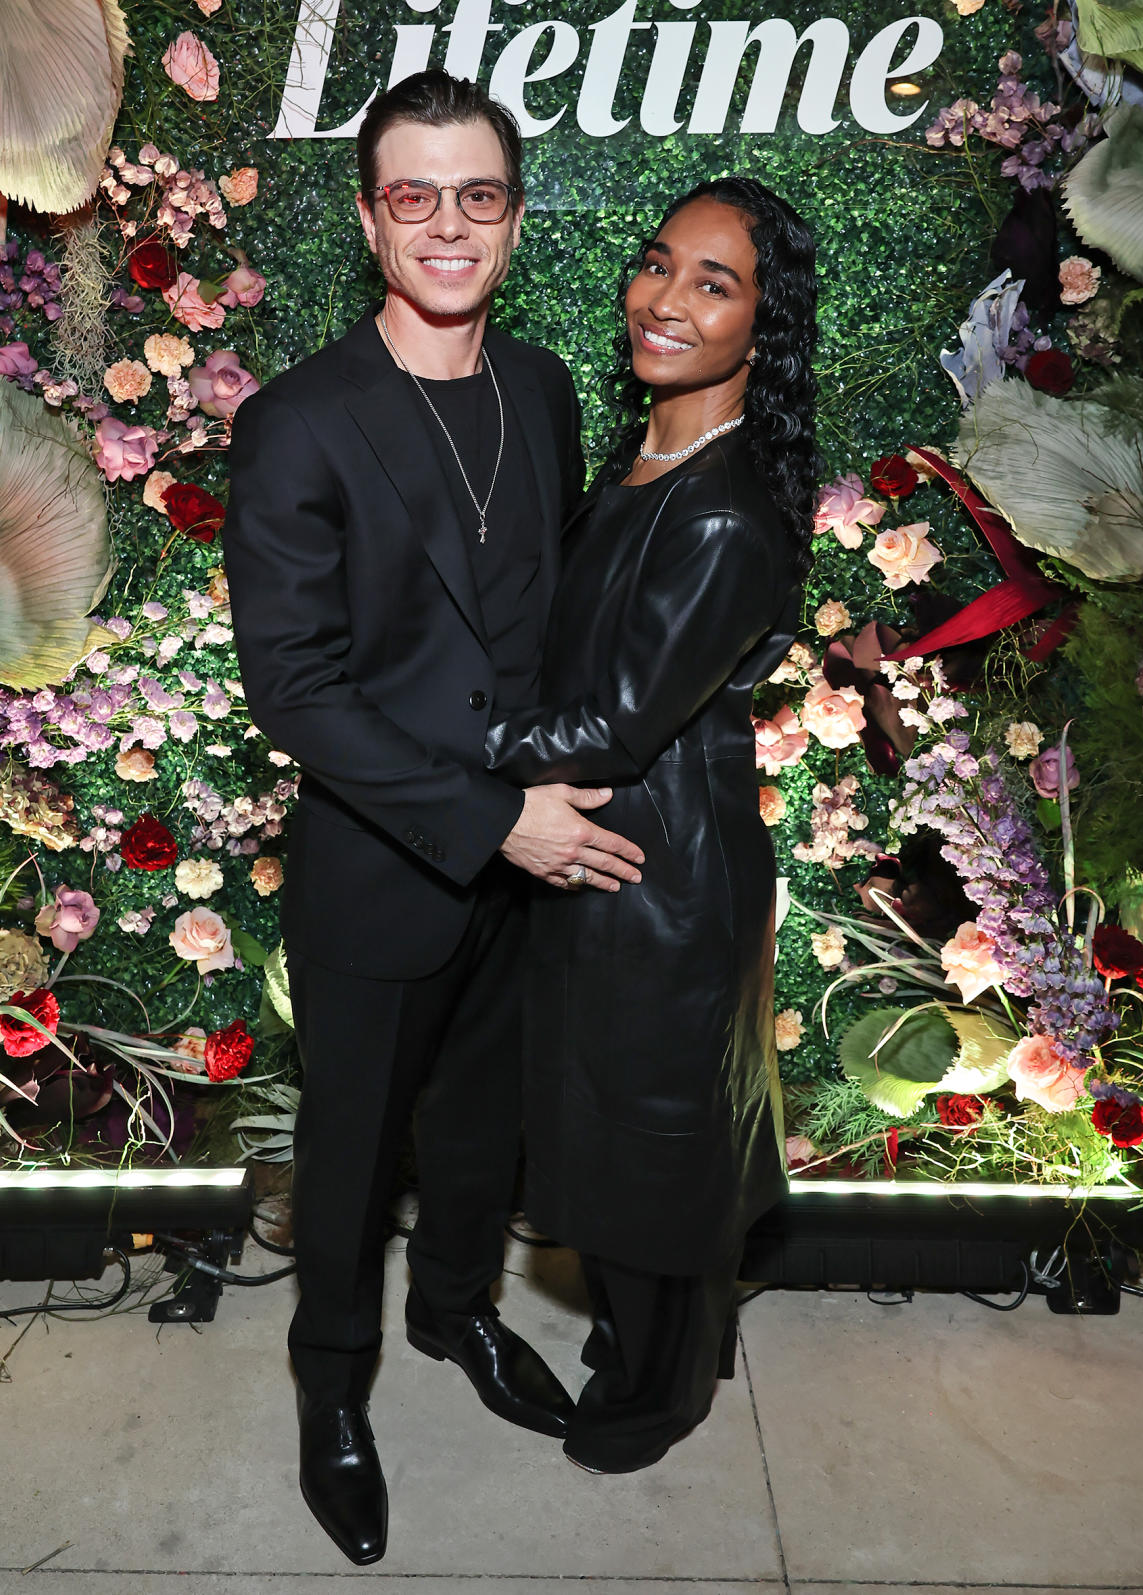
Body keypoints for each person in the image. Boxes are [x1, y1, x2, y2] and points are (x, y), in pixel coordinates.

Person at [222, 70, 645, 1566]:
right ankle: (331, 1398)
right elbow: (297, 689)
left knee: (480, 1134)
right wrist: (492, 818)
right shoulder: (298, 424)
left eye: (479, 196)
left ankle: (456, 1312)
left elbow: (541, 621)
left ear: (515, 220)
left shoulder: (540, 386)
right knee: (348, 1163)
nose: (447, 225)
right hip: (382, 872)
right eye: (415, 195)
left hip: (523, 870)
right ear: (368, 216)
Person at [483, 176, 817, 1474]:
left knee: (655, 1152)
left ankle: (665, 1382)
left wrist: (432, 746)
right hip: (609, 863)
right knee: (616, 1137)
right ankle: (652, 1337)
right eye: (659, 262)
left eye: (712, 283)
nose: (663, 299)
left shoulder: (725, 509)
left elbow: (617, 724)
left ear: (760, 327)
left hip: (658, 875)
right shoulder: (645, 459)